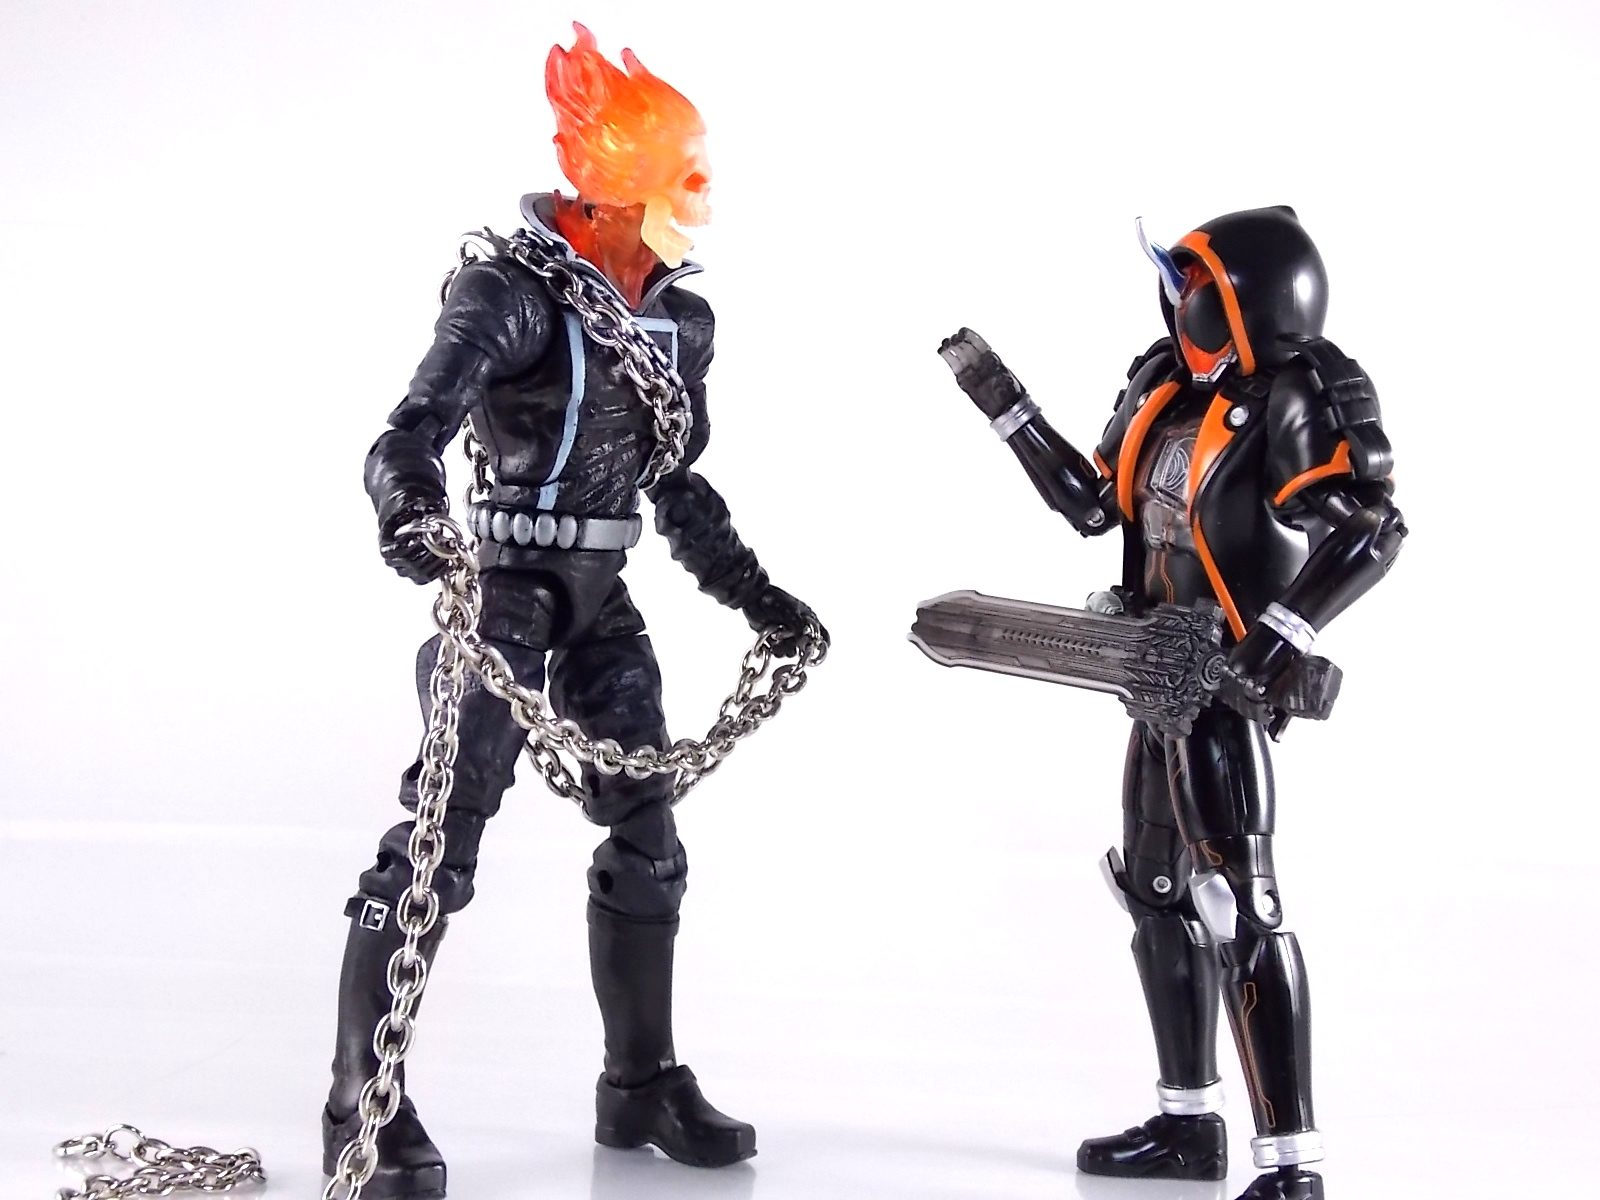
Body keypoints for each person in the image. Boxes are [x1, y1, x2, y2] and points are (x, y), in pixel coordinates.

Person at [323, 25, 822, 1197]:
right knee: (436, 845)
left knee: (650, 842)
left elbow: (675, 484)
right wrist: (414, 518)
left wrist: (756, 596)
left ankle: (638, 1084)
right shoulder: (508, 294)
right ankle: (359, 1098)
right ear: (609, 189)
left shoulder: (682, 324)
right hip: (502, 590)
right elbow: (406, 434)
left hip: (603, 597)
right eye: (680, 178)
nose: (700, 199)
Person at [946, 206, 1405, 1200]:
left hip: (1220, 683)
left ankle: (1292, 1167)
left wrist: (1277, 642)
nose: (1176, 298)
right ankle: (1185, 1123)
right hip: (1151, 671)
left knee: (1241, 905)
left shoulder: (1297, 389)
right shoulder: (1162, 381)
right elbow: (1092, 504)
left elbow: (1367, 529)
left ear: (1244, 298)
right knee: (1154, 891)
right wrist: (1007, 407)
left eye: (1193, 282)